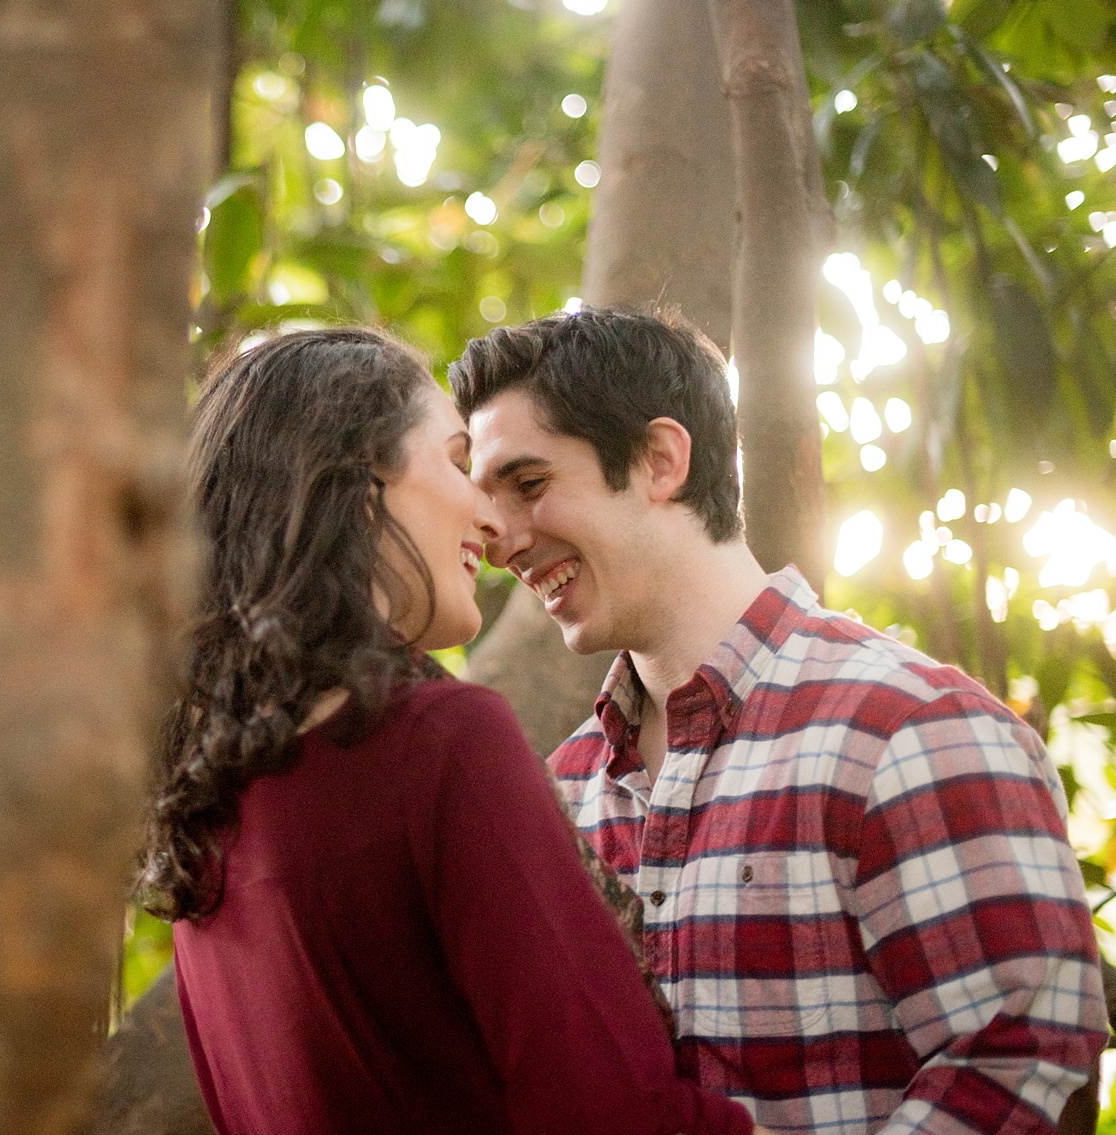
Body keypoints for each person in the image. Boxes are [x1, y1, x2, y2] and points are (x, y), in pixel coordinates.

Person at [454, 307, 1107, 1135]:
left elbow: (1028, 1072)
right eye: (487, 500)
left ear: (660, 460)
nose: (502, 537)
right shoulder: (563, 793)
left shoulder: (910, 729)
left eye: (530, 484)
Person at [140, 327, 760, 1135]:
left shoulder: (204, 810)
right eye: (456, 461)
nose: (487, 518)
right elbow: (616, 1112)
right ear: (361, 486)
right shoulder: (438, 743)